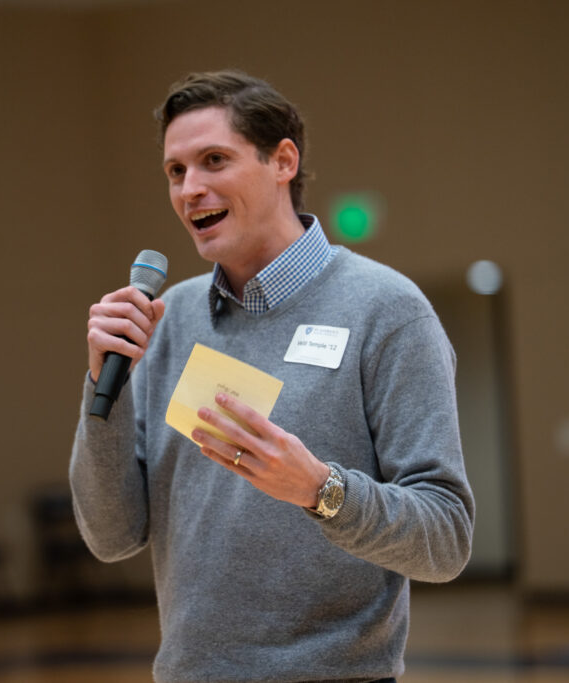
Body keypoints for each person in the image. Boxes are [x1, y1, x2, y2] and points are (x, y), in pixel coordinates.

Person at [70, 69, 474, 683]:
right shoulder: (168, 320)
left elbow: (444, 538)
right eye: (176, 172)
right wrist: (107, 384)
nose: (191, 190)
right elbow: (111, 535)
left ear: (283, 161)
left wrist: (321, 490)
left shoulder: (387, 312)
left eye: (213, 160)